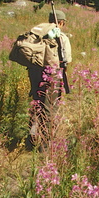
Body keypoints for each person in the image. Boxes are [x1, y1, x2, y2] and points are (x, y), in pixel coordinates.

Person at [26, 9, 72, 150]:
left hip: (34, 74)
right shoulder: (61, 37)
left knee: (36, 104)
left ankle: (31, 139)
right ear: (62, 22)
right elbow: (67, 59)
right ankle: (44, 145)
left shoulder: (38, 35)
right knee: (49, 109)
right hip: (52, 76)